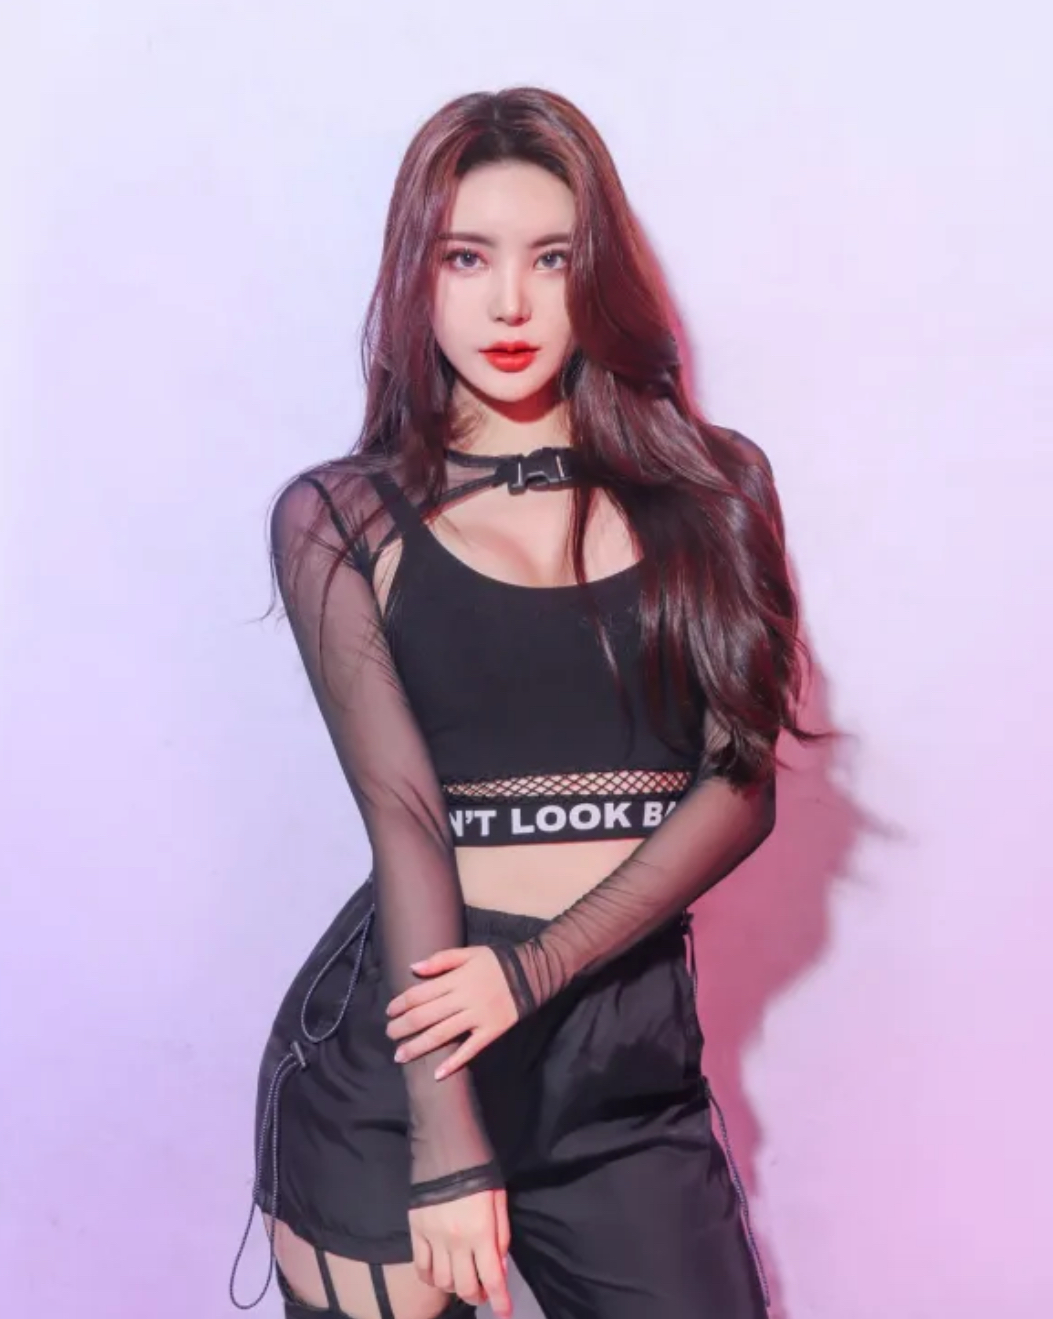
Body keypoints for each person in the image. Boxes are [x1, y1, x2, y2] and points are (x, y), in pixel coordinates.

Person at [229, 85, 810, 1319]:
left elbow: (740, 789)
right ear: (415, 273)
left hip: (621, 1072)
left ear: (596, 272)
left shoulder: (716, 491)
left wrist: (531, 970)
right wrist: (444, 1142)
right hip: (403, 1078)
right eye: (465, 257)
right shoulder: (341, 518)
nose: (509, 303)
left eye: (550, 257)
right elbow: (406, 824)